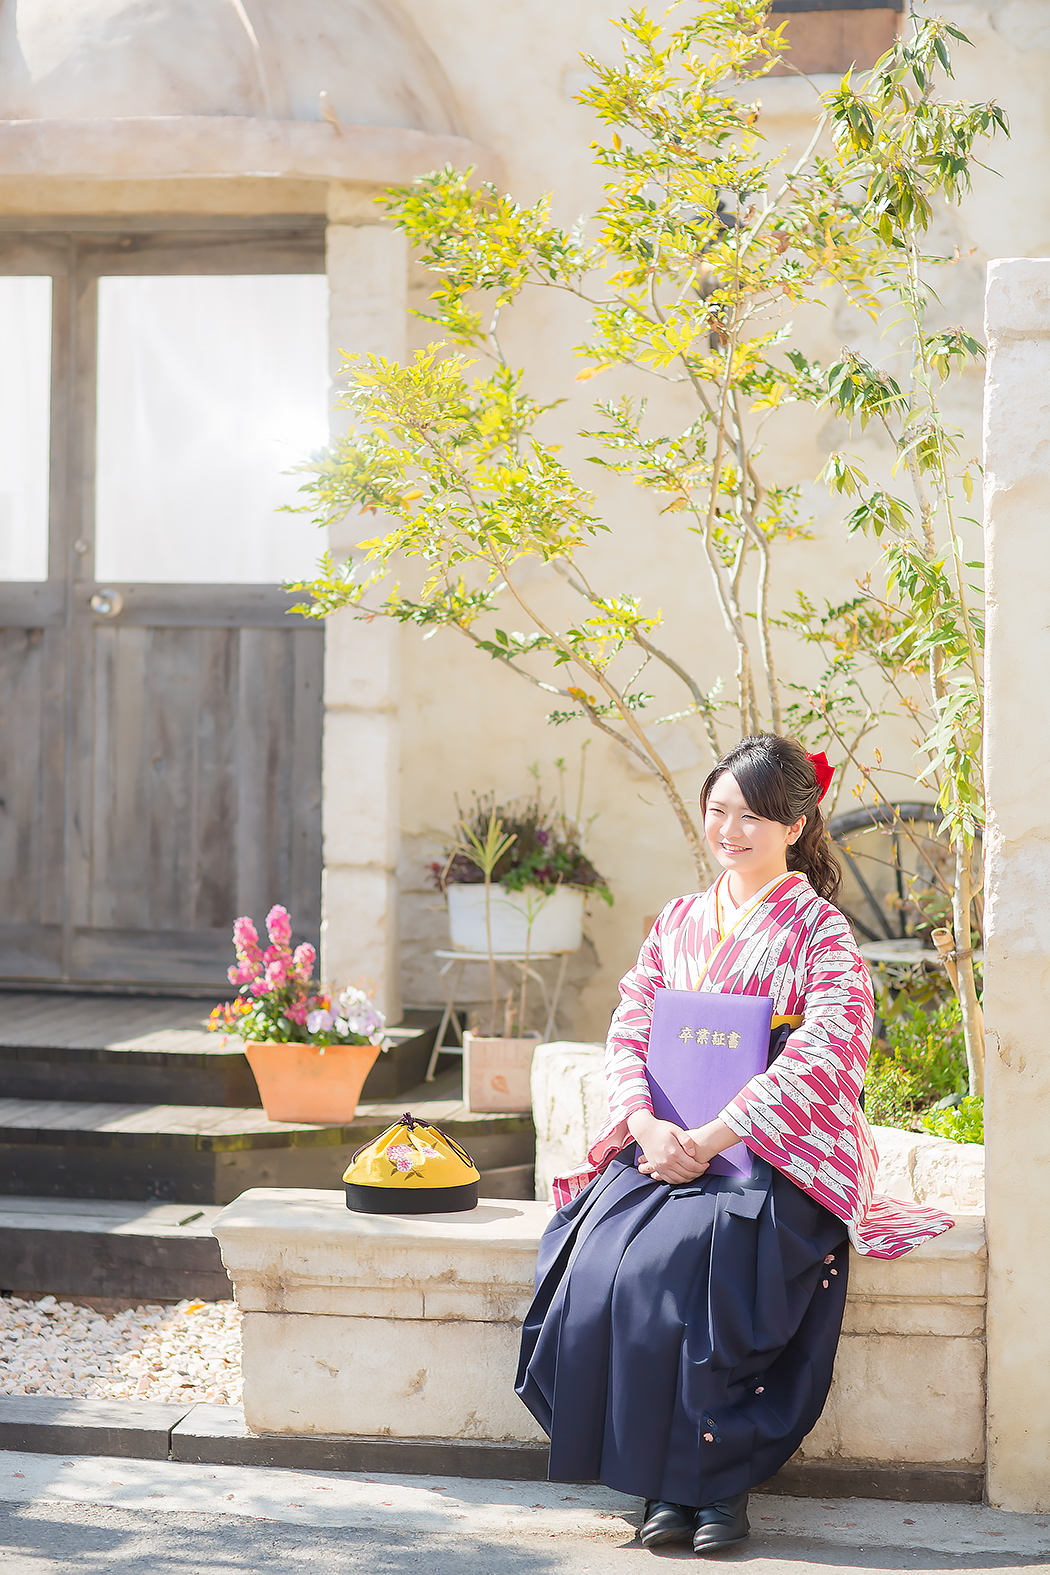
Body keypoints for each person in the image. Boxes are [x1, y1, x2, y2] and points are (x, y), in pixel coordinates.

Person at [515, 734, 954, 1555]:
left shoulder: (821, 929)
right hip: (667, 1136)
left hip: (775, 1148)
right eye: (719, 810)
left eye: (752, 815)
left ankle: (710, 1486)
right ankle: (665, 1481)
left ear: (794, 825)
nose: (731, 829)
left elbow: (825, 1047)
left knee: (706, 1262)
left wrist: (721, 1130)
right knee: (609, 1264)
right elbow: (630, 1025)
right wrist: (645, 1125)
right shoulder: (680, 920)